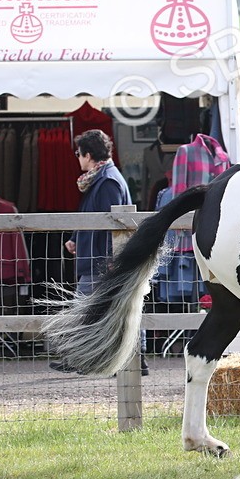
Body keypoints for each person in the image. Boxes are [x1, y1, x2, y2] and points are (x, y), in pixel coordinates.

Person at [51, 129, 144, 374]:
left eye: (78, 153)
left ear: (88, 154)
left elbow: (111, 224)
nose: (77, 158)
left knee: (86, 310)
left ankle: (79, 360)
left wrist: (110, 261)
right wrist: (75, 238)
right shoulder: (100, 179)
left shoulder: (107, 181)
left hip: (98, 263)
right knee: (102, 310)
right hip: (96, 260)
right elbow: (91, 217)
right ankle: (129, 360)